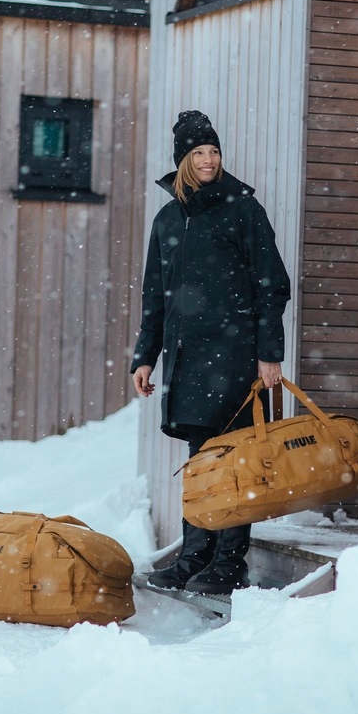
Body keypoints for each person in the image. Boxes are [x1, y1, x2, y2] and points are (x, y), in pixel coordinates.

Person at [130, 109, 292, 596]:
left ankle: (228, 563)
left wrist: (269, 353)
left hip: (235, 355)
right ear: (183, 159)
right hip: (187, 360)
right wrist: (145, 356)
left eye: (214, 151)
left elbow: (272, 284)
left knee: (236, 458)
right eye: (199, 152)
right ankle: (195, 557)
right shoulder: (167, 219)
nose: (208, 159)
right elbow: (154, 295)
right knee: (200, 461)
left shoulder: (243, 209)